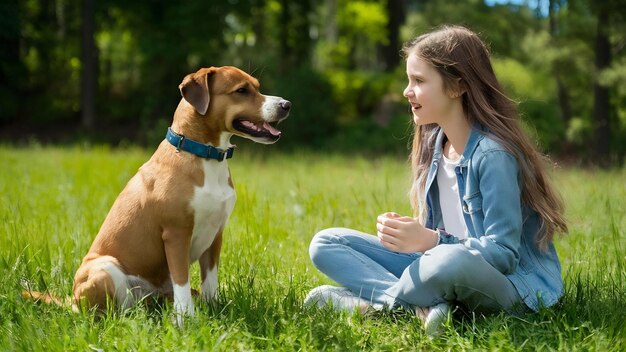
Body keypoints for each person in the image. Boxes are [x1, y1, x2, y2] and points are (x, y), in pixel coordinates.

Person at [304, 25, 568, 336]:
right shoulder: (434, 146)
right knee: (326, 243)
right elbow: (433, 241)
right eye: (409, 80)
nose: (407, 90)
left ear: (457, 87)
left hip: (508, 285)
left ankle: (374, 305)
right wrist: (408, 234)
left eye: (418, 80)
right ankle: (420, 308)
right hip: (437, 267)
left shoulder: (493, 155)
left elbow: (503, 254)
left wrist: (431, 240)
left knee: (446, 261)